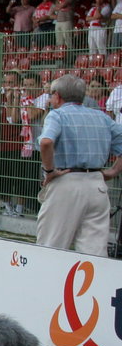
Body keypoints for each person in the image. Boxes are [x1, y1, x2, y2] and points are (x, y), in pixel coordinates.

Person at [37, 74, 122, 256]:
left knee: (51, 246)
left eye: (51, 94)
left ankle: (48, 282)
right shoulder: (101, 117)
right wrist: (113, 170)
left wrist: (49, 171)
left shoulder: (57, 115)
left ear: (57, 95)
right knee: (94, 252)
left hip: (67, 182)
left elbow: (46, 142)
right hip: (97, 185)